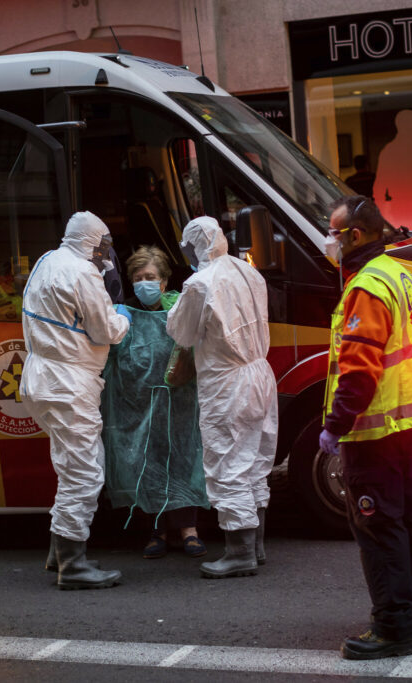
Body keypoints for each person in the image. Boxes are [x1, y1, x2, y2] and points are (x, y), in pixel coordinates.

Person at [318, 196, 412, 660]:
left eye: (334, 233)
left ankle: (393, 626)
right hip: (404, 427)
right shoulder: (399, 275)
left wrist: (334, 426)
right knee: (406, 520)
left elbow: (360, 371)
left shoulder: (366, 288)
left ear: (358, 235)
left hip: (372, 435)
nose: (330, 241)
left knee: (379, 528)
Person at [20, 211, 132, 590]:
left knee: (71, 466)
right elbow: (104, 331)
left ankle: (59, 553)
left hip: (40, 377)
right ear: (91, 242)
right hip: (69, 381)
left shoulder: (47, 260)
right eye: (103, 245)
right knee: (85, 471)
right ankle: (73, 565)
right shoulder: (84, 273)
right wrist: (123, 318)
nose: (105, 253)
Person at [165, 216, 278, 579]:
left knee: (228, 465)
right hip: (260, 373)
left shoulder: (200, 283)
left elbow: (181, 331)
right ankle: (256, 547)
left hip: (228, 383)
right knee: (255, 462)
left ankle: (239, 553)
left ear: (194, 245)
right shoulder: (250, 272)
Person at [102, 245, 208, 560]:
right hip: (139, 405)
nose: (144, 283)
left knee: (184, 459)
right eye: (138, 277)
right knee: (149, 463)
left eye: (150, 277)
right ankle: (157, 532)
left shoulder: (179, 308)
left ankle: (189, 530)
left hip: (181, 402)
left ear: (163, 282)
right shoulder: (125, 314)